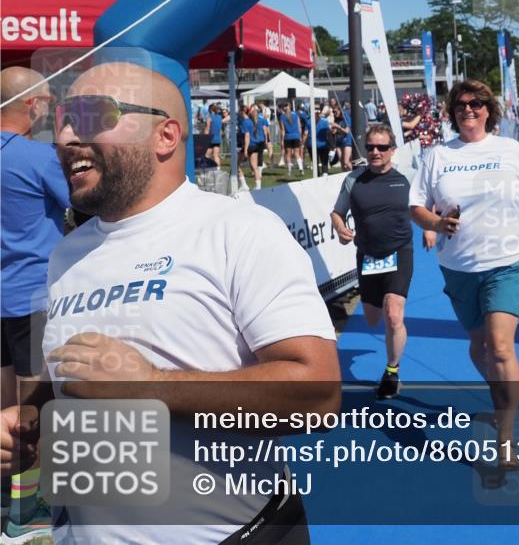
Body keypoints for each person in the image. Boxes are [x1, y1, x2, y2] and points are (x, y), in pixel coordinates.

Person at [1, 61, 340, 544]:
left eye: (92, 116)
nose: (65, 137)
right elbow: (68, 380)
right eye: (60, 120)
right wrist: (29, 421)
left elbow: (318, 396)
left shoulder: (237, 230)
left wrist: (152, 386)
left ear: (165, 135)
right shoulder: (65, 254)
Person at [409, 80, 519, 470]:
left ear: (489, 109)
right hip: (459, 267)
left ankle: (505, 434)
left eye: (477, 103)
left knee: (501, 348)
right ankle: (500, 393)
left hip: (508, 260)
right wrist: (434, 222)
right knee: (478, 348)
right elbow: (416, 206)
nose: (469, 109)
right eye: (462, 104)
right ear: (452, 112)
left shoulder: (511, 150)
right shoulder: (437, 156)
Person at [0, 67, 69, 543]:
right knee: (33, 409)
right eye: (46, 100)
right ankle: (26, 513)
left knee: (6, 405)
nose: (49, 109)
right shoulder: (39, 156)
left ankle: (11, 498)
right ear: (31, 104)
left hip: (5, 298)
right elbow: (86, 200)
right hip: (32, 296)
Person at [331, 124, 414, 399]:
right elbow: (336, 212)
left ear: (392, 150)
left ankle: (392, 371)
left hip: (399, 251)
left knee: (393, 314)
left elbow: (424, 207)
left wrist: (431, 227)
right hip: (368, 256)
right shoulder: (354, 179)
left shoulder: (406, 179)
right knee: (372, 317)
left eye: (382, 147)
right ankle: (391, 353)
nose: (375, 152)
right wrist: (340, 228)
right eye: (370, 147)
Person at [244, 105, 267, 190]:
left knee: (254, 166)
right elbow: (265, 131)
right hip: (259, 143)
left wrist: (245, 149)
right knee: (254, 164)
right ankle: (258, 183)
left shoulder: (247, 122)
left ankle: (258, 185)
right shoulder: (262, 120)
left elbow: (247, 136)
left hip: (252, 145)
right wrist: (266, 140)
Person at [278, 102, 304, 176]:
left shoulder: (282, 117)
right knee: (297, 153)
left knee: (288, 154)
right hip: (296, 136)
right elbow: (299, 127)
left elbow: (282, 130)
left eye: (284, 106)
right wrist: (300, 137)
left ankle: (289, 171)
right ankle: (301, 169)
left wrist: (282, 140)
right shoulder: (296, 115)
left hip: (288, 137)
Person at [204, 102, 223, 167]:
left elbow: (207, 129)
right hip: (217, 139)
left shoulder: (209, 118)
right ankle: (218, 169)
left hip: (210, 139)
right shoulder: (219, 117)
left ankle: (207, 171)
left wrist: (204, 138)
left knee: (206, 156)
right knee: (216, 155)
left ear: (210, 110)